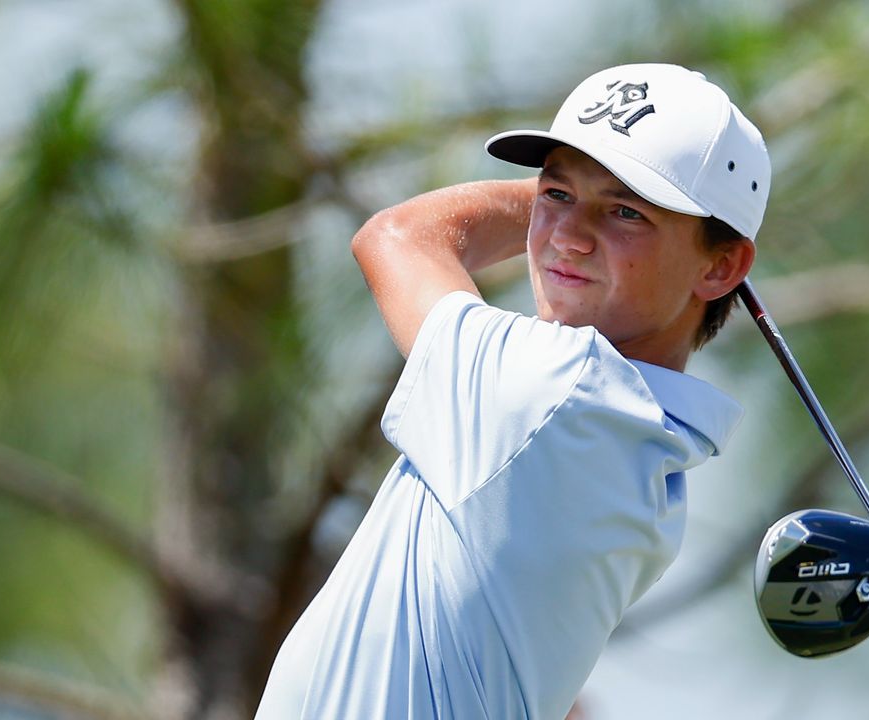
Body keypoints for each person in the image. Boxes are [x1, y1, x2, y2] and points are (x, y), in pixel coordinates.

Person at [257, 62, 771, 719]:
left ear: (723, 265)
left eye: (624, 212)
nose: (567, 236)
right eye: (555, 196)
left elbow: (398, 236)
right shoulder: (646, 442)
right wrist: (599, 188)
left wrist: (558, 187)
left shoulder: (556, 394)